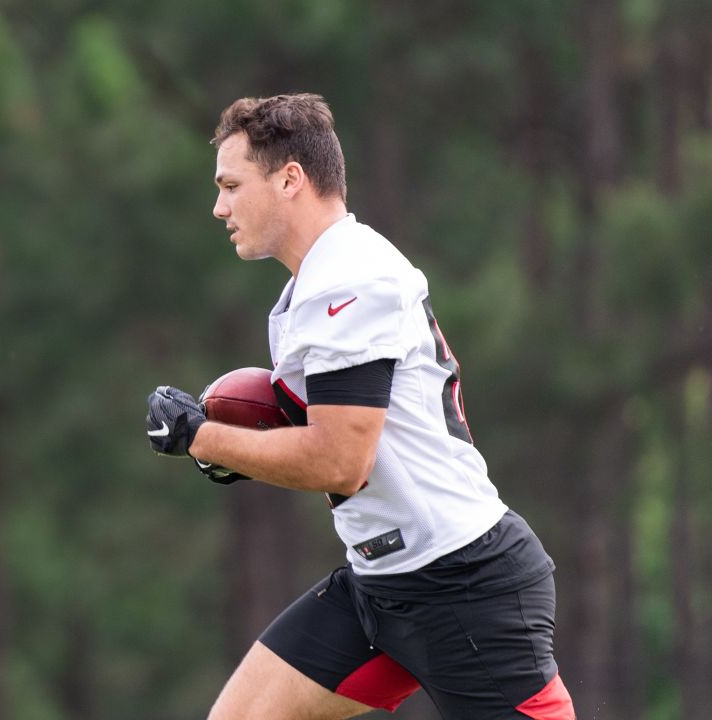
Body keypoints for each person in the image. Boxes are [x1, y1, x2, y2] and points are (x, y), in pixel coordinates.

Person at [144, 94, 575, 719]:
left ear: (290, 178)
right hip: (382, 582)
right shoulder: (315, 282)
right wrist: (249, 442)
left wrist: (199, 435)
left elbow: (341, 461)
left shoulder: (349, 278)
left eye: (232, 185)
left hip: (464, 582)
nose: (220, 206)